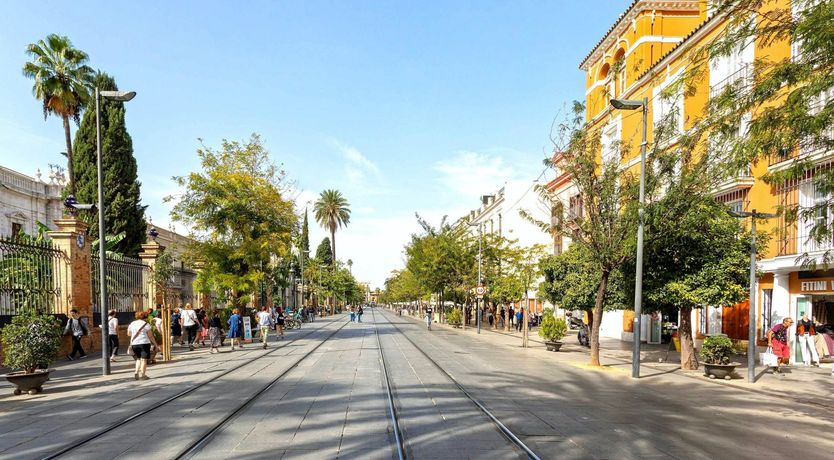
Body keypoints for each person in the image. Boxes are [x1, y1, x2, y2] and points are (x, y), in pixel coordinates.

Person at [128, 310, 157, 380]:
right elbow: (150, 336)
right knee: (143, 359)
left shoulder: (132, 324)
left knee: (138, 358)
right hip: (144, 343)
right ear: (145, 317)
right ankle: (143, 375)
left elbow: (128, 334)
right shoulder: (146, 324)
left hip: (134, 343)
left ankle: (136, 372)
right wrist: (155, 344)